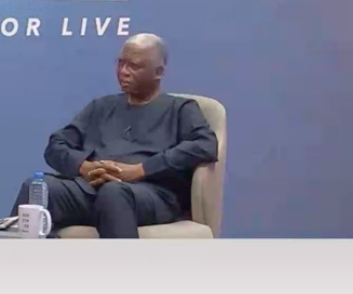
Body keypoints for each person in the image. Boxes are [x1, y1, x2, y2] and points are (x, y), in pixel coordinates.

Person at [11, 33, 218, 239]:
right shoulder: (101, 107)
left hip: (150, 194)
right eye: (121, 63)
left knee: (113, 193)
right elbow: (56, 145)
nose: (123, 72)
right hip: (92, 190)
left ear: (158, 72)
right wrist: (84, 167)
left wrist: (140, 170)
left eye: (134, 66)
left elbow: (205, 144)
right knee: (37, 188)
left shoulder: (180, 109)